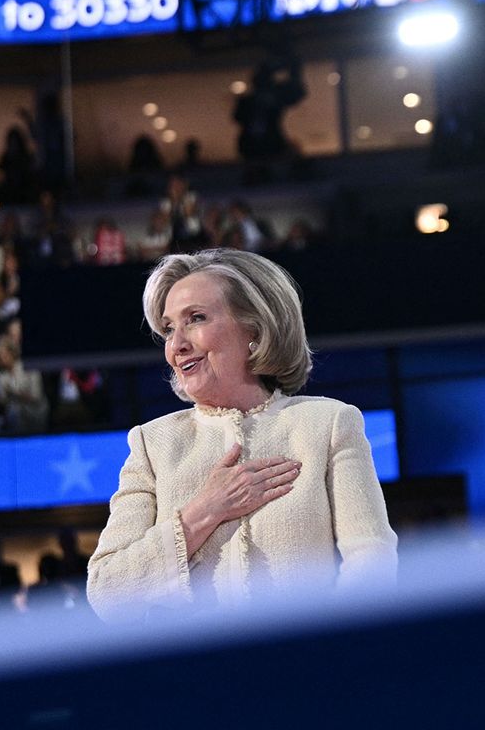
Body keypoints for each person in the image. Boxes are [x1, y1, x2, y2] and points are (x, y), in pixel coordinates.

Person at [87, 249, 397, 623]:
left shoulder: (328, 424)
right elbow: (107, 592)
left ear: (254, 328)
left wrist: (322, 655)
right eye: (169, 329)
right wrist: (203, 512)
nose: (176, 344)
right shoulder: (152, 445)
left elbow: (372, 564)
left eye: (196, 319)